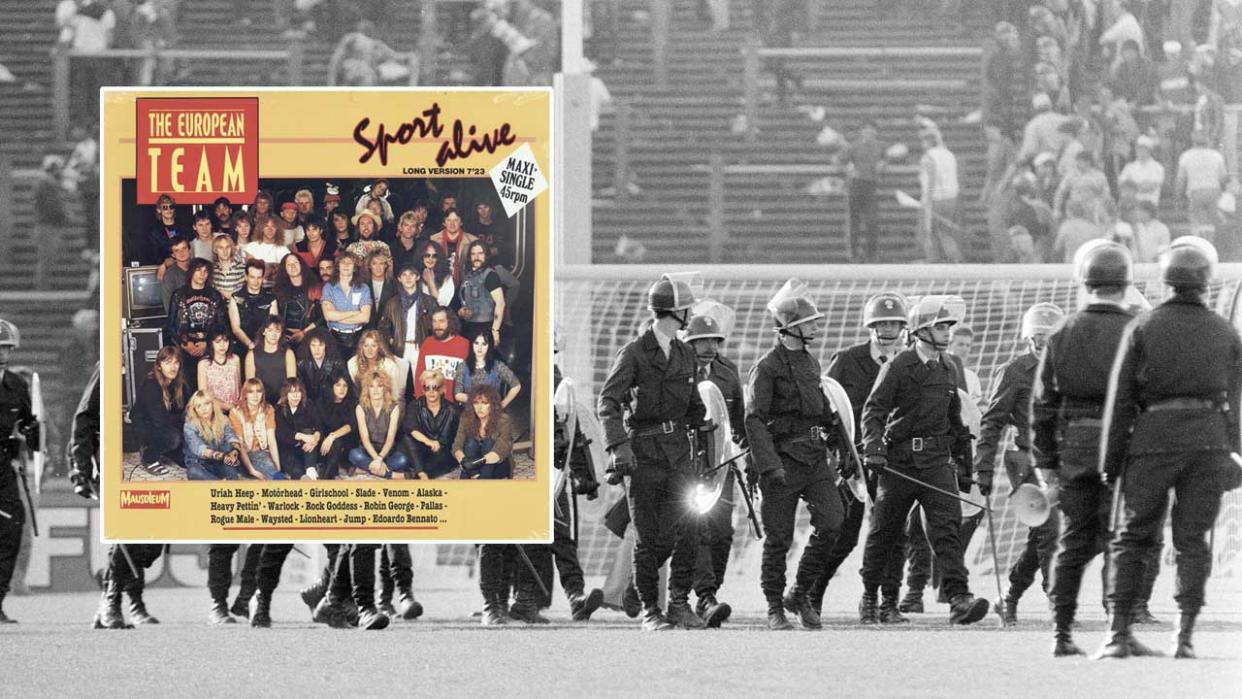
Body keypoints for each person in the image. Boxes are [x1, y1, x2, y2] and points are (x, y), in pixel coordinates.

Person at [1096, 238, 1241, 660]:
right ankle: (1185, 635)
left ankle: (1118, 632)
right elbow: (1236, 403)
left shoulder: (1142, 327)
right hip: (1208, 440)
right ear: (1205, 282)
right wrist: (1235, 454)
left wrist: (1111, 459)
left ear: (1167, 280)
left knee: (1134, 535)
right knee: (1193, 540)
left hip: (1153, 438)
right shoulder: (1225, 331)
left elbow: (1120, 399)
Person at [1031, 240, 1138, 656]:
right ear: (1125, 283)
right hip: (1122, 442)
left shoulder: (1061, 332)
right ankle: (1118, 630)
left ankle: (1061, 633)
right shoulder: (1135, 328)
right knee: (1122, 538)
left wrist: (1046, 461)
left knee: (1073, 540)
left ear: (1086, 281)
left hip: (1075, 440)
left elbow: (1042, 404)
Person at [859, 295, 989, 626]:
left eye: (948, 327)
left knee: (947, 529)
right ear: (921, 331)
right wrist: (874, 447)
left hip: (936, 462)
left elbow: (956, 419)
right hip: (899, 462)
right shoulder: (898, 365)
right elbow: (873, 411)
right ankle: (876, 598)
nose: (948, 333)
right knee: (885, 534)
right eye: (941, 327)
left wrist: (964, 466)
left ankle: (959, 599)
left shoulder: (950, 367)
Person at [597, 275, 708, 631]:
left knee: (689, 527)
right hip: (642, 453)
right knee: (649, 535)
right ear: (676, 311)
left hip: (679, 454)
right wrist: (618, 446)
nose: (690, 313)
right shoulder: (633, 352)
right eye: (687, 308)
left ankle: (676, 602)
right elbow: (608, 402)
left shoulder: (686, 352)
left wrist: (705, 422)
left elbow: (693, 407)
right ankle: (650, 610)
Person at [746, 281, 844, 631]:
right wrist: (767, 466)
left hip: (814, 459)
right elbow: (754, 419)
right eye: (810, 321)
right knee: (779, 538)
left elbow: (822, 411)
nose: (816, 325)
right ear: (790, 326)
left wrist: (838, 436)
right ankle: (775, 607)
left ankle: (799, 591)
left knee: (834, 520)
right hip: (782, 462)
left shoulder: (811, 363)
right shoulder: (767, 367)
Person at [805, 292, 909, 620]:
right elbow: (828, 406)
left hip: (895, 461)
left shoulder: (908, 362)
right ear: (871, 326)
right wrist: (839, 454)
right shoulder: (848, 360)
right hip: (853, 460)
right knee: (844, 534)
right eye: (882, 322)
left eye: (894, 322)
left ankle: (887, 601)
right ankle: (813, 592)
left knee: (893, 534)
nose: (889, 328)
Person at [976, 302, 1064, 625]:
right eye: (1039, 335)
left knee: (1042, 533)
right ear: (1029, 336)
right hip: (1025, 457)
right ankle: (1057, 600)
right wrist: (983, 466)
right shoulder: (1014, 371)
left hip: (1058, 459)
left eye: (1050, 336)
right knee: (1049, 529)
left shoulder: (1068, 369)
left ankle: (1009, 597)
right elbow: (992, 422)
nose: (1044, 342)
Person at [679, 314, 745, 628]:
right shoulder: (675, 370)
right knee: (697, 529)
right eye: (702, 341)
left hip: (720, 463)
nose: (709, 346)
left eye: (715, 340)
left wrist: (749, 460)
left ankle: (709, 592)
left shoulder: (728, 372)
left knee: (722, 532)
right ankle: (704, 597)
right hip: (685, 463)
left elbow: (739, 420)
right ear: (688, 343)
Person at [0, 319, 38, 623]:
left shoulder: (17, 384)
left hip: (4, 465)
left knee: (13, 528)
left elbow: (27, 423)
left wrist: (30, 432)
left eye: (6, 348)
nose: (2, 353)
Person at [129, 346, 187, 477]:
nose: (173, 367)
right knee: (174, 438)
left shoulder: (178, 384)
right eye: (168, 362)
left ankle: (164, 450)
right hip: (144, 426)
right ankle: (148, 457)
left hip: (166, 424)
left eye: (176, 362)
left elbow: (184, 411)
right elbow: (160, 420)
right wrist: (182, 423)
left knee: (184, 461)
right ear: (159, 366)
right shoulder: (151, 385)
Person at [378, 258, 436, 390]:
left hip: (420, 347)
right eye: (404, 275)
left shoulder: (429, 301)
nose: (408, 278)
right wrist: (392, 340)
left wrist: (430, 344)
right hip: (400, 348)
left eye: (411, 274)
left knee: (423, 388)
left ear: (417, 277)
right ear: (399, 279)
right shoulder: (392, 303)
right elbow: (383, 326)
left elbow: (437, 326)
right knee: (397, 390)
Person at [166, 259, 228, 369]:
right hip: (184, 352)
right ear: (191, 272)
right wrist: (184, 344)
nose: (202, 274)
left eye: (205, 271)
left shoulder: (214, 295)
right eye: (198, 270)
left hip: (209, 350)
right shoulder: (179, 295)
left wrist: (207, 343)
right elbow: (171, 326)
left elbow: (222, 325)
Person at [349, 370, 410, 479]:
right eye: (372, 386)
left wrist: (380, 458)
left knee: (402, 460)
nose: (376, 390)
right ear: (367, 389)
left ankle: (364, 469)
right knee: (354, 455)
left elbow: (390, 439)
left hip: (387, 452)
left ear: (385, 388)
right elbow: (365, 439)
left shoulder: (394, 407)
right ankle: (389, 474)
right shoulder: (360, 408)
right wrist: (376, 459)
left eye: (380, 386)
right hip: (367, 451)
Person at [403, 369, 461, 479]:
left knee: (435, 462)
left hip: (443, 451)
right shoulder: (415, 405)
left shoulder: (452, 410)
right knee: (407, 438)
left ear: (442, 389)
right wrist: (428, 441)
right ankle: (421, 473)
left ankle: (411, 474)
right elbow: (411, 427)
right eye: (427, 388)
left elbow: (457, 438)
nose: (431, 392)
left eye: (435, 388)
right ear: (423, 390)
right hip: (422, 448)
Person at [918, 127, 964, 262]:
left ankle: (933, 262)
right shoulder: (949, 154)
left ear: (928, 142)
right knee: (946, 234)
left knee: (928, 234)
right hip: (951, 198)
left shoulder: (928, 157)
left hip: (935, 198)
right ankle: (957, 260)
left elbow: (931, 178)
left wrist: (927, 202)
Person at [843, 120, 886, 262]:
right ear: (861, 132)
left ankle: (871, 255)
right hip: (856, 185)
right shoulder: (854, 146)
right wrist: (848, 169)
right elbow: (838, 160)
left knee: (872, 222)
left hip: (871, 186)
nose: (869, 133)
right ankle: (853, 254)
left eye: (872, 130)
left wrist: (884, 164)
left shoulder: (880, 147)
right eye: (866, 130)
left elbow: (886, 159)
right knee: (854, 222)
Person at [228, 378, 286, 480]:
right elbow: (239, 444)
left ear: (262, 394)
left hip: (260, 452)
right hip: (242, 454)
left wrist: (277, 467)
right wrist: (251, 470)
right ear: (245, 394)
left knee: (271, 470)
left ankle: (281, 480)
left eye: (258, 391)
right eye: (251, 392)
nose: (255, 396)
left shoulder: (268, 409)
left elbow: (271, 440)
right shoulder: (235, 412)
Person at [453, 384, 514, 480]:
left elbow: (503, 447)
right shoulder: (466, 418)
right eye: (476, 403)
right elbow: (457, 445)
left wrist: (477, 462)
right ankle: (468, 478)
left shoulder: (503, 420)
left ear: (493, 405)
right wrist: (465, 462)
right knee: (471, 443)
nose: (479, 407)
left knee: (489, 443)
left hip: (497, 464)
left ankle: (482, 481)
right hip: (472, 465)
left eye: (485, 403)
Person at [182, 390, 243, 480]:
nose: (203, 409)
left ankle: (219, 483)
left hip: (219, 462)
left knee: (233, 472)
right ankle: (218, 486)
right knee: (193, 471)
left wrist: (234, 451)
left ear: (213, 405)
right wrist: (221, 456)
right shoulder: (189, 426)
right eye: (199, 406)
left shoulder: (223, 419)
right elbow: (200, 449)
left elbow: (231, 436)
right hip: (201, 463)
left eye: (206, 404)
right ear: (195, 410)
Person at [413, 307, 470, 401]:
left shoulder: (464, 344)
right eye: (434, 321)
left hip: (456, 405)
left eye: (441, 321)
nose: (437, 326)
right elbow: (419, 376)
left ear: (450, 322)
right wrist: (420, 402)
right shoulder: (427, 343)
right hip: (430, 403)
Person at [322, 251, 372, 356]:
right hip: (335, 337)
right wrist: (355, 312)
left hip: (358, 337)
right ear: (338, 266)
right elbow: (328, 316)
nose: (346, 265)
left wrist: (338, 316)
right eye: (343, 262)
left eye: (350, 263)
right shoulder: (329, 287)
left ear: (354, 267)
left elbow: (365, 318)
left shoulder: (363, 288)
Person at [454, 330, 521, 408]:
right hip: (469, 413)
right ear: (471, 344)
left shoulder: (498, 366)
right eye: (476, 343)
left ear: (490, 346)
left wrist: (502, 405)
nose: (479, 348)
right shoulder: (463, 366)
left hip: (491, 413)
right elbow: (457, 394)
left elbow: (516, 385)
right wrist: (479, 401)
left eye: (484, 344)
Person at [457, 240, 506, 345]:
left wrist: (495, 330)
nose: (476, 257)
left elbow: (500, 303)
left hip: (485, 328)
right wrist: (461, 311)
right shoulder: (467, 276)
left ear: (486, 255)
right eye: (473, 254)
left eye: (480, 253)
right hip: (468, 327)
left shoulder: (490, 275)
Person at [275, 378, 322, 480]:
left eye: (298, 392)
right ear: (286, 394)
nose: (295, 396)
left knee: (309, 431)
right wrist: (303, 437)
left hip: (306, 448)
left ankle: (311, 470)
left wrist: (315, 438)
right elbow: (281, 432)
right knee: (295, 469)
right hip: (288, 449)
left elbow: (319, 425)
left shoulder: (308, 405)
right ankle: (303, 478)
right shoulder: (279, 408)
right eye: (292, 393)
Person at [229, 259, 279, 355]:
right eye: (252, 277)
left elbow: (273, 327)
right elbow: (236, 329)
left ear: (263, 277)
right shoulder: (235, 297)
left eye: (259, 277)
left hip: (266, 346)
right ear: (246, 277)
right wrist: (250, 345)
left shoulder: (271, 298)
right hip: (241, 348)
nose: (256, 282)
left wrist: (262, 346)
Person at [273, 253, 323, 348]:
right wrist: (282, 333)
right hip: (283, 336)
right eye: (289, 264)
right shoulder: (278, 290)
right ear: (285, 269)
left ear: (301, 265)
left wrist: (304, 333)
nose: (293, 266)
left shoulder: (314, 288)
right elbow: (275, 316)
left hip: (309, 335)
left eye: (295, 262)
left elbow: (321, 317)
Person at [245, 317, 296, 405]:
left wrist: (281, 402)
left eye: (277, 331)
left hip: (283, 402)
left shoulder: (288, 353)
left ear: (281, 334)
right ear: (264, 332)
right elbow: (250, 385)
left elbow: (291, 384)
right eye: (270, 330)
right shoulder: (252, 355)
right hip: (259, 403)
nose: (274, 334)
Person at [348, 329, 409, 402]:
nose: (369, 350)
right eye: (366, 346)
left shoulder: (389, 365)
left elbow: (395, 394)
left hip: (388, 402)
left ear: (379, 348)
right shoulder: (352, 364)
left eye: (374, 346)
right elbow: (357, 391)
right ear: (361, 347)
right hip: (364, 402)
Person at [317, 375, 357, 480]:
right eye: (338, 385)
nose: (342, 389)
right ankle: (328, 470)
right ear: (332, 387)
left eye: (345, 386)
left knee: (337, 442)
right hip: (325, 441)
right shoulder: (322, 402)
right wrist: (326, 438)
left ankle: (327, 478)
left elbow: (350, 425)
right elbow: (319, 425)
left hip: (346, 440)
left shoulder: (352, 402)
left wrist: (333, 436)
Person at [297, 328, 348, 404]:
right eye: (313, 345)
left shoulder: (337, 363)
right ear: (308, 346)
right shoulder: (301, 364)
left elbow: (342, 387)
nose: (316, 349)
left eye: (320, 345)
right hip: (308, 404)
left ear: (326, 345)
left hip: (331, 403)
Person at [197, 331, 241, 415]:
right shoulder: (204, 364)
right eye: (217, 342)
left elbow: (239, 387)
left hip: (236, 410)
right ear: (211, 343)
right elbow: (203, 395)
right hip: (214, 411)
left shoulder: (235, 359)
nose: (222, 345)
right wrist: (227, 406)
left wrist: (236, 407)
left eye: (225, 341)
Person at [430, 209, 478, 284]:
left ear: (461, 222)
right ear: (444, 223)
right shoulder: (433, 240)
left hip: (465, 284)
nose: (452, 224)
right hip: (439, 284)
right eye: (448, 220)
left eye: (456, 220)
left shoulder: (472, 241)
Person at [243, 215, 293, 288]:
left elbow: (284, 275)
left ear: (277, 229)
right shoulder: (251, 247)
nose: (270, 229)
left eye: (273, 226)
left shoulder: (284, 250)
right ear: (261, 229)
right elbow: (251, 271)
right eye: (266, 226)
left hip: (277, 288)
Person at [416, 240, 456, 308]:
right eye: (427, 255)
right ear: (421, 257)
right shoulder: (415, 275)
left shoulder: (447, 278)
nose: (430, 259)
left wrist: (431, 283)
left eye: (434, 256)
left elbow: (443, 304)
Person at [210, 234, 246, 299]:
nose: (225, 251)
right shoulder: (211, 269)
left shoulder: (242, 268)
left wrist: (223, 292)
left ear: (231, 248)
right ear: (215, 250)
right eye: (221, 248)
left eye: (227, 247)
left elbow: (242, 293)